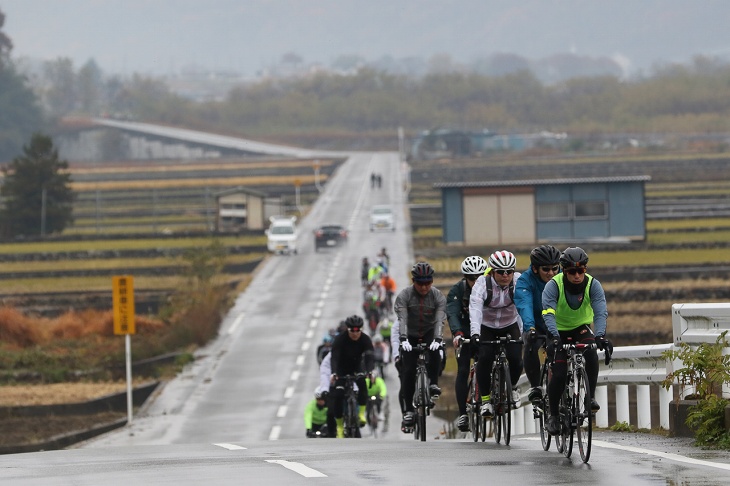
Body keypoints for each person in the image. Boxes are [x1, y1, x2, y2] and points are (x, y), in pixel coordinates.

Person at [542, 247, 611, 436]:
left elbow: (600, 311)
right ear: (564, 271)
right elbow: (548, 312)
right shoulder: (553, 286)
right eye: (572, 271)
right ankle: (554, 415)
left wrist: (601, 336)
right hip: (557, 331)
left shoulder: (593, 285)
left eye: (581, 271)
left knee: (591, 352)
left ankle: (590, 398)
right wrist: (555, 336)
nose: (577, 275)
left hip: (580, 327)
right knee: (559, 373)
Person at [469, 250, 524, 417]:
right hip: (487, 326)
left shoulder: (518, 282)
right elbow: (475, 309)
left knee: (515, 357)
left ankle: (513, 388)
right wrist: (475, 334)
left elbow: (524, 307)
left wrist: (525, 331)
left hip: (510, 323)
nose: (505, 275)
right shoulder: (482, 284)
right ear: (492, 271)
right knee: (484, 358)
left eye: (509, 271)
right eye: (501, 272)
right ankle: (485, 400)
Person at [394, 261, 446, 433]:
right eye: (420, 283)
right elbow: (402, 319)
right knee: (407, 371)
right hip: (410, 334)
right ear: (413, 281)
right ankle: (408, 410)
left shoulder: (437, 296)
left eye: (428, 283)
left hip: (430, 331)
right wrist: (403, 339)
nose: (424, 287)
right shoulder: (404, 296)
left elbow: (440, 319)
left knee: (437, 352)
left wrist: (438, 339)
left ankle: (433, 384)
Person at [514, 245, 562, 404]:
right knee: (530, 344)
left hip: (558, 322)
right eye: (546, 269)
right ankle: (536, 386)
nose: (551, 273)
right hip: (537, 323)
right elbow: (524, 304)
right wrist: (530, 328)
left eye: (555, 268)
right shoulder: (525, 281)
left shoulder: (563, 277)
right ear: (535, 269)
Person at [447, 255, 489, 432]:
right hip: (465, 334)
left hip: (484, 331)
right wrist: (457, 333)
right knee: (463, 370)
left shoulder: (491, 288)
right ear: (465, 278)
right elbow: (453, 313)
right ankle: (463, 413)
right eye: (472, 278)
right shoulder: (456, 291)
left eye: (480, 277)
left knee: (488, 363)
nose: (476, 281)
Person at [329, 315, 375, 438]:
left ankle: (360, 414)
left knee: (362, 384)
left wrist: (370, 371)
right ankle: (339, 427)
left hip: (357, 366)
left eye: (358, 330)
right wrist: (333, 373)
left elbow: (370, 357)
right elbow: (334, 358)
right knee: (338, 395)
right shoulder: (340, 339)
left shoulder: (365, 339)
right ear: (347, 330)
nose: (355, 333)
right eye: (352, 331)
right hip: (341, 368)